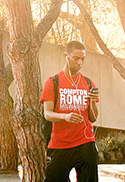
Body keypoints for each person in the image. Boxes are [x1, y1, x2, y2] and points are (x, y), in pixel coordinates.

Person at [40, 41, 100, 182]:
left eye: (83, 59)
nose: (80, 63)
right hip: (60, 144)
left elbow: (93, 118)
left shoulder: (88, 83)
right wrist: (65, 116)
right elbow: (47, 114)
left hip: (85, 143)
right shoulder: (53, 82)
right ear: (66, 56)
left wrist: (92, 101)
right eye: (76, 58)